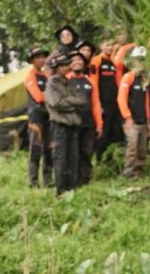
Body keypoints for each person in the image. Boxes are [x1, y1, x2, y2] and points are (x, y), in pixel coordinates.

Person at [44, 52, 86, 195]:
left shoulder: (69, 82)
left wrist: (68, 101)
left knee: (73, 157)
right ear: (56, 67)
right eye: (62, 65)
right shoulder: (51, 83)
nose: (65, 67)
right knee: (60, 158)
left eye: (66, 65)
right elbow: (56, 103)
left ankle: (72, 188)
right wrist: (72, 104)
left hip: (73, 125)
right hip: (59, 126)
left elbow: (82, 100)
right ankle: (61, 190)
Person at [118, 46, 150, 180]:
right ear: (134, 61)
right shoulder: (128, 77)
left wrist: (148, 121)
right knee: (132, 147)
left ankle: (139, 170)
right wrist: (127, 117)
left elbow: (146, 101)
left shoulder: (144, 79)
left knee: (142, 147)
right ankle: (129, 172)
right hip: (131, 119)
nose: (142, 62)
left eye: (144, 60)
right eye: (139, 60)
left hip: (143, 119)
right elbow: (121, 99)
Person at [69, 51, 103, 186]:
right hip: (72, 123)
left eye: (80, 60)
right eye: (73, 60)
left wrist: (99, 124)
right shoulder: (66, 79)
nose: (77, 62)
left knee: (87, 151)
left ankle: (85, 180)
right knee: (73, 152)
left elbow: (95, 103)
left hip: (88, 123)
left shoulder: (89, 81)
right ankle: (73, 180)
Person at [23, 47, 53, 187]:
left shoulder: (46, 76)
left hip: (49, 117)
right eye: (38, 57)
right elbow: (38, 97)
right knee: (36, 149)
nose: (41, 59)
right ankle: (33, 182)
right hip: (36, 118)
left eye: (43, 57)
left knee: (49, 150)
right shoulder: (30, 76)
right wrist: (52, 98)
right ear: (32, 60)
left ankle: (48, 181)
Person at [92, 40, 124, 160]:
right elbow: (94, 83)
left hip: (114, 101)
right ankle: (99, 158)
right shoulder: (96, 61)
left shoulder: (112, 62)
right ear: (101, 46)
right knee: (103, 132)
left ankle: (110, 158)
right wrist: (97, 103)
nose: (110, 48)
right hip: (103, 102)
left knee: (114, 130)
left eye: (111, 45)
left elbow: (117, 82)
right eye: (107, 45)